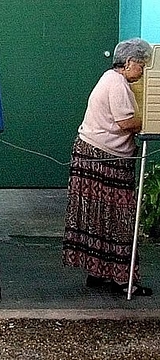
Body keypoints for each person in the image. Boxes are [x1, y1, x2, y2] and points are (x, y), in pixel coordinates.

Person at [63, 38, 153, 296]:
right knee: (120, 220)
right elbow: (126, 123)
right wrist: (151, 119)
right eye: (142, 65)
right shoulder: (118, 84)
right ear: (129, 62)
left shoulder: (109, 78)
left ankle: (98, 271)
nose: (143, 70)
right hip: (104, 158)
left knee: (98, 218)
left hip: (92, 154)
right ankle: (124, 280)